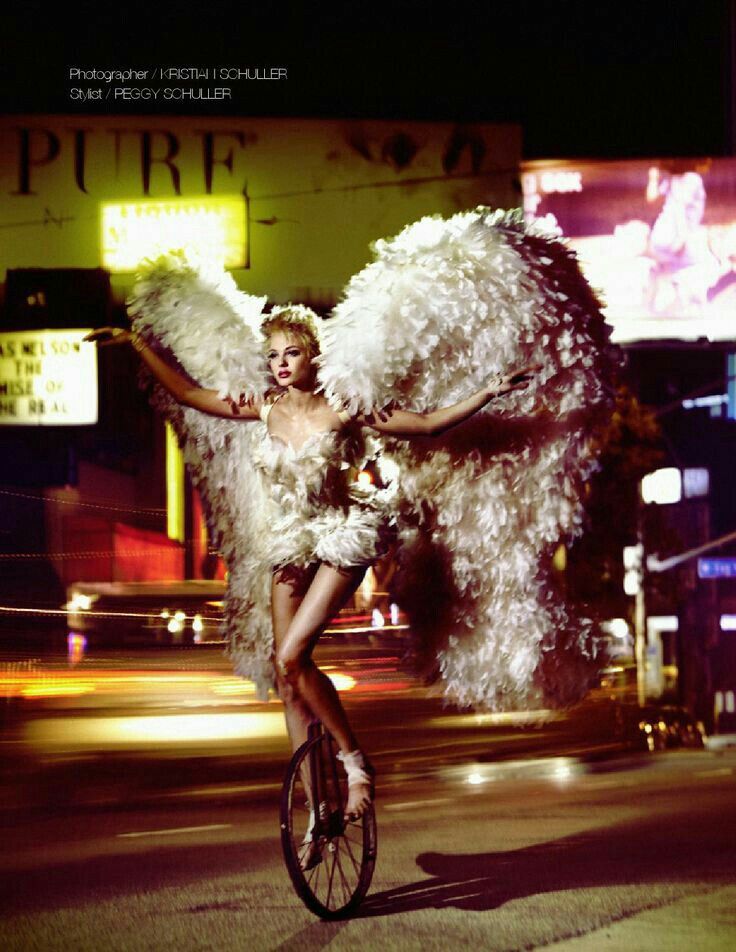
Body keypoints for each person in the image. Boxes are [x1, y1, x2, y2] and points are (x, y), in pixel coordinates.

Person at [86, 310, 536, 826]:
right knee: (285, 672)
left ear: (314, 355)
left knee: (295, 653)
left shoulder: (345, 405)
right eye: (273, 354)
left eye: (291, 353)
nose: (279, 363)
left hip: (342, 534)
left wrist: (492, 391)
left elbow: (428, 423)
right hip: (289, 541)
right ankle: (318, 807)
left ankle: (354, 761)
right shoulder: (263, 407)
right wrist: (135, 341)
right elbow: (189, 395)